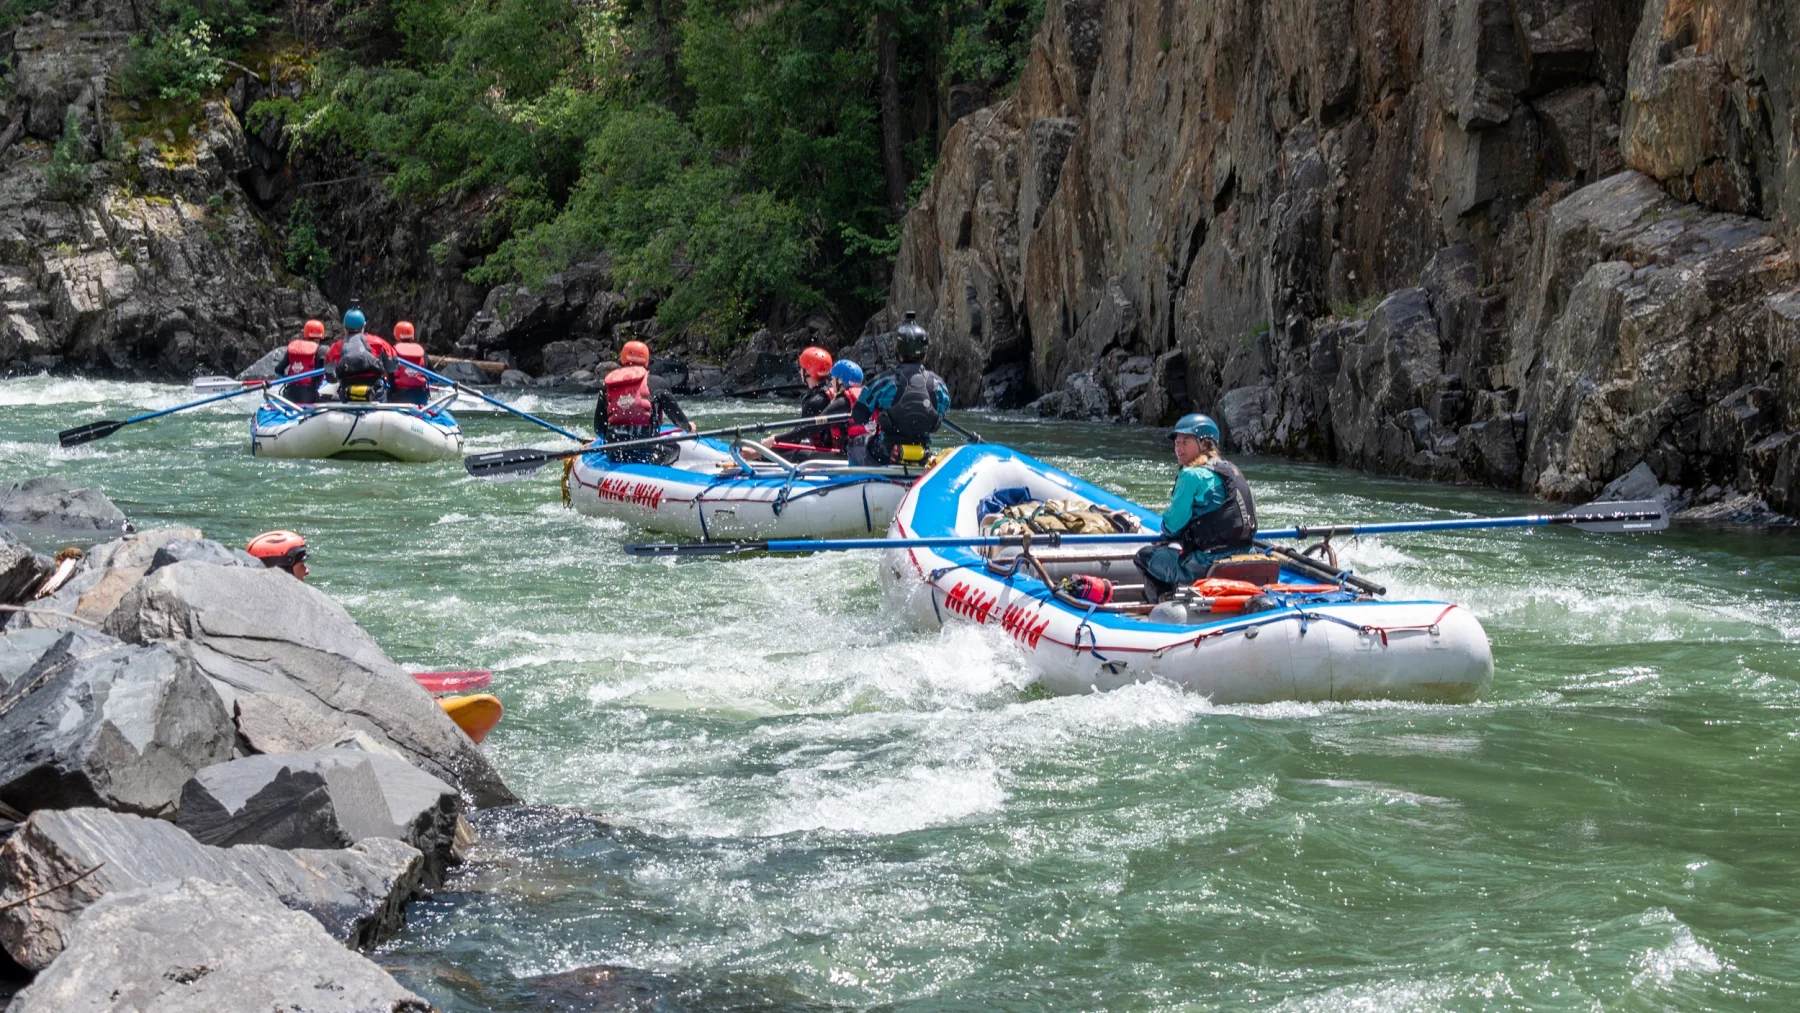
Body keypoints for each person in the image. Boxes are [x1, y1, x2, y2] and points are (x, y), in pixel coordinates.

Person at [1133, 413, 1258, 602]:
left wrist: (1169, 536)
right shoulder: (1230, 469)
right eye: (1177, 443)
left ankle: (1161, 603)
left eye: (1186, 442)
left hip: (1207, 562)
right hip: (1246, 555)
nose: (1179, 448)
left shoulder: (1191, 475)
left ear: (1205, 444)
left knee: (1144, 556)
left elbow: (1172, 525)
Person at [850, 311, 950, 466]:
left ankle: (860, 484)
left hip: (884, 453)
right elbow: (940, 415)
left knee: (855, 444)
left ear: (898, 351)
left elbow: (858, 414)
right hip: (922, 454)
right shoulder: (940, 386)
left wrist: (878, 416)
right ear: (925, 353)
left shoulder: (884, 381)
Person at [598, 340, 695, 464]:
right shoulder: (657, 383)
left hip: (615, 453)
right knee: (674, 448)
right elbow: (678, 419)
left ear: (622, 359)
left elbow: (599, 429)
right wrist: (688, 427)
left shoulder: (608, 386)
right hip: (647, 454)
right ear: (646, 360)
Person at [325, 306, 396, 402]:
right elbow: (393, 367)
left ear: (344, 327)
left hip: (348, 396)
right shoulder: (378, 343)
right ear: (364, 326)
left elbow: (331, 378)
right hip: (376, 396)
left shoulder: (336, 347)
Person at [274, 319, 325, 404]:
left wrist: (287, 378)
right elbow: (328, 376)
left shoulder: (293, 349)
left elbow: (278, 370)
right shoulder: (320, 351)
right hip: (309, 397)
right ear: (321, 335)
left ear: (305, 334)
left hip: (289, 396)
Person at [388, 320, 431, 405]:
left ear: (396, 335)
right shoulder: (422, 353)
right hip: (421, 396)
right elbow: (432, 376)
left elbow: (387, 374)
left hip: (398, 396)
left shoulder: (392, 351)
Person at [797, 346, 835, 417]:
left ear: (808, 371)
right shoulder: (831, 390)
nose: (799, 372)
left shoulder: (814, 403)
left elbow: (801, 428)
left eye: (801, 368)